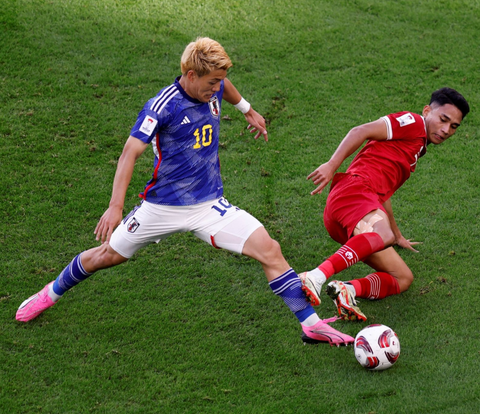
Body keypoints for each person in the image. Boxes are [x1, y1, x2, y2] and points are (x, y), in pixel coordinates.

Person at [16, 37, 353, 346]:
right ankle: (50, 292)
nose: (218, 88)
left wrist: (247, 109)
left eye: (220, 81)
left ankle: (309, 324)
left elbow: (228, 87)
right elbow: (128, 153)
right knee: (107, 256)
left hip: (210, 206)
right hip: (161, 207)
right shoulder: (162, 105)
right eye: (211, 83)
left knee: (270, 250)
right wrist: (115, 206)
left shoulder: (214, 86)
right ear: (191, 75)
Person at [300, 87, 470, 321]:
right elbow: (361, 130)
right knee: (383, 233)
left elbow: (383, 196)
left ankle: (347, 290)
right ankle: (316, 276)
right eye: (443, 119)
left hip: (356, 209)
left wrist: (397, 235)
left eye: (453, 126)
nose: (446, 130)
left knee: (403, 278)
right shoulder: (412, 123)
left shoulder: (418, 147)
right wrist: (332, 164)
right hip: (353, 192)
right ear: (427, 110)